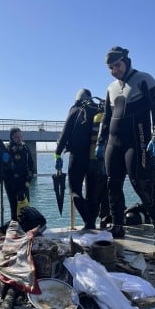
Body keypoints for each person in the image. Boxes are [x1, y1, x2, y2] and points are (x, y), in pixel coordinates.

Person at [96, 46, 155, 243]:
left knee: (142, 184)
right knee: (113, 184)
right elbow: (106, 118)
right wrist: (101, 141)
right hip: (113, 142)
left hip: (137, 141)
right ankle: (117, 226)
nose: (114, 70)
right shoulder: (110, 88)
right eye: (110, 67)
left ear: (126, 61)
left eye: (116, 65)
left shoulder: (144, 79)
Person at [55, 89, 109, 230]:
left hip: (77, 157)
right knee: (92, 194)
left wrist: (57, 154)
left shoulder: (76, 109)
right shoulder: (97, 110)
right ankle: (91, 223)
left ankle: (89, 222)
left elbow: (65, 132)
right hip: (95, 158)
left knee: (75, 191)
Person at [3, 127, 34, 221]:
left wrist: (28, 181)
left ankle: (26, 228)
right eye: (16, 137)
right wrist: (11, 183)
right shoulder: (7, 149)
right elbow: (5, 169)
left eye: (20, 136)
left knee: (26, 207)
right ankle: (15, 228)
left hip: (24, 182)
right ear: (11, 137)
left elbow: (31, 166)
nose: (19, 139)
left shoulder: (25, 148)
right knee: (14, 207)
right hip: (11, 183)